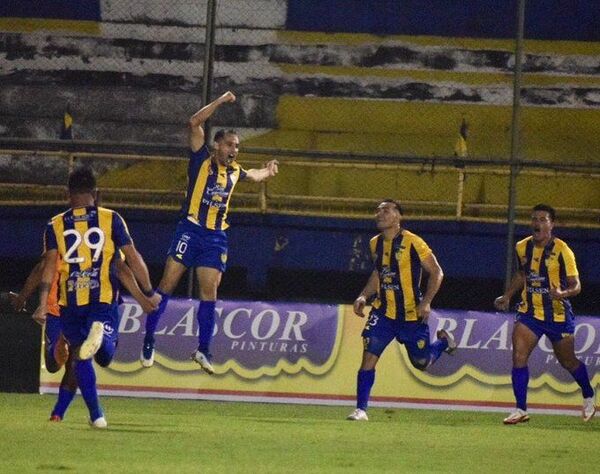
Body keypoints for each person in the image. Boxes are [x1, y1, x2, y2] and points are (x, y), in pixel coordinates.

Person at [140, 90, 279, 372]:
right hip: (189, 230)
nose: (234, 150)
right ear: (217, 145)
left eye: (237, 146)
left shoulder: (235, 171)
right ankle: (149, 338)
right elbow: (193, 123)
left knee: (210, 290)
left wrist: (269, 171)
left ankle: (203, 350)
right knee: (167, 285)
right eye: (230, 145)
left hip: (215, 237)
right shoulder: (201, 160)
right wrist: (219, 102)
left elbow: (253, 175)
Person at [33, 166, 157, 428]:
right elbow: (130, 260)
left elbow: (49, 268)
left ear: (68, 194)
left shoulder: (54, 225)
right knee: (104, 356)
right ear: (96, 193)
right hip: (102, 298)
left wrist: (43, 304)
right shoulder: (111, 219)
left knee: (80, 358)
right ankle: (99, 338)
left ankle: (97, 415)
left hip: (70, 303)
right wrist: (148, 293)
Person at [12, 255, 159, 422]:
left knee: (67, 361)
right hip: (95, 302)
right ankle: (87, 414)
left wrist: (26, 299)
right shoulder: (108, 230)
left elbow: (43, 266)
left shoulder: (57, 229)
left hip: (64, 304)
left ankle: (60, 413)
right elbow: (123, 266)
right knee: (93, 359)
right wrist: (145, 295)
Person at [347, 199, 456, 421]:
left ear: (398, 216)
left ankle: (443, 342)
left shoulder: (413, 242)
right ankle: (361, 409)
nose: (379, 214)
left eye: (385, 210)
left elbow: (437, 272)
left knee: (421, 363)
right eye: (377, 211)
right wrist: (363, 295)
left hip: (410, 314)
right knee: (369, 356)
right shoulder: (375, 243)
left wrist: (426, 302)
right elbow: (379, 274)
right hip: (383, 312)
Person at [494, 204, 596, 424]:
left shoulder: (563, 250)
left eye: (542, 219)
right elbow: (522, 274)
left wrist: (562, 293)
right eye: (534, 219)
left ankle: (588, 395)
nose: (536, 223)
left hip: (557, 315)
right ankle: (520, 409)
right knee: (519, 357)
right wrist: (508, 296)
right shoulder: (522, 247)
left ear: (552, 224)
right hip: (530, 312)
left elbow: (576, 285)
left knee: (568, 362)